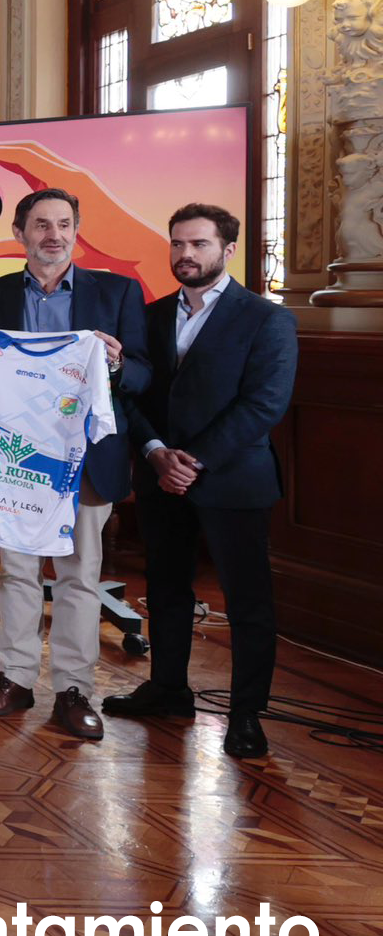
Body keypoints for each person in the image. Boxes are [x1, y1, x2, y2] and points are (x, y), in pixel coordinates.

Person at [104, 204, 297, 760]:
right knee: (166, 588)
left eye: (199, 244)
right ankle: (168, 690)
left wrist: (193, 461)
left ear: (228, 250)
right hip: (160, 475)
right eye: (177, 243)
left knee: (248, 601)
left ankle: (246, 714)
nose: (185, 254)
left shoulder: (267, 319)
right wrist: (156, 452)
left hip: (233, 480)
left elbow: (264, 404)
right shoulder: (150, 315)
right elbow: (130, 393)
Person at [0, 186, 150, 741]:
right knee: (17, 572)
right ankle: (16, 677)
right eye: (42, 224)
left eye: (64, 224)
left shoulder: (117, 291)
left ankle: (74, 689)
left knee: (79, 576)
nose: (54, 235)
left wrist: (116, 366)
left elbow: (145, 375)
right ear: (19, 233)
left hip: (86, 459)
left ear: (76, 230)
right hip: (18, 461)